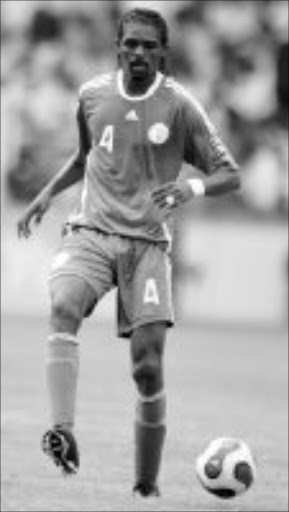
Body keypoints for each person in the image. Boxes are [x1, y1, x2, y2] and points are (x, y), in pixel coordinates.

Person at [17, 8, 241, 498]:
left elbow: (231, 174)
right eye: (130, 44)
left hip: (147, 246)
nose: (138, 52)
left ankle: (145, 484)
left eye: (148, 46)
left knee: (147, 366)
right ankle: (62, 431)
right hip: (91, 230)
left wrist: (192, 189)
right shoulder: (92, 96)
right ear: (118, 47)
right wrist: (46, 195)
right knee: (62, 306)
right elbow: (84, 156)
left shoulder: (180, 106)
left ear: (162, 53)